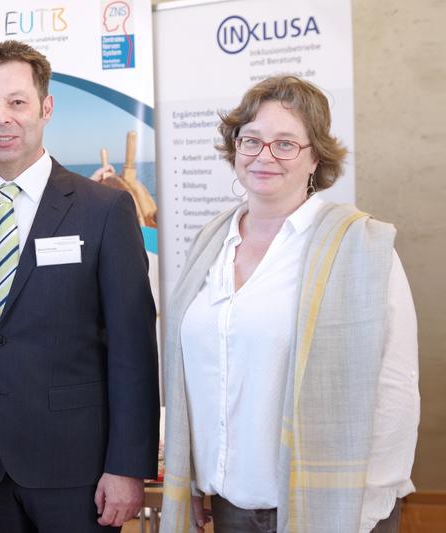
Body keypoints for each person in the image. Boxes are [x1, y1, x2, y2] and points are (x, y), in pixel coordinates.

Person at [0, 40, 160, 532]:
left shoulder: (103, 210)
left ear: (46, 108)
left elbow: (133, 349)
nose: (1, 117)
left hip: (82, 470)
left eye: (17, 102)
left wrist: (129, 465)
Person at [161, 75, 419, 533]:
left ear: (315, 156)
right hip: (229, 507)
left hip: (331, 508)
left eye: (285, 144)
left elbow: (396, 390)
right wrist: (200, 478)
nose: (264, 156)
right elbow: (207, 374)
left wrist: (363, 507)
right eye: (252, 140)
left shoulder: (362, 247)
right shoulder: (210, 242)